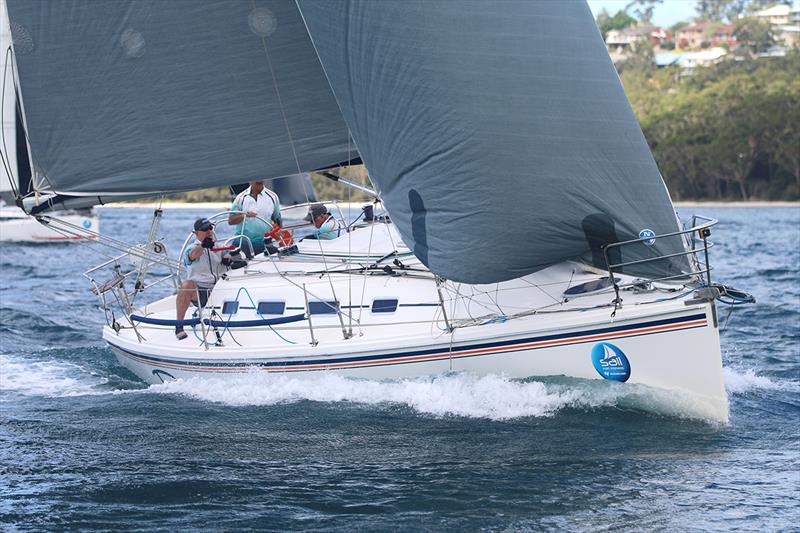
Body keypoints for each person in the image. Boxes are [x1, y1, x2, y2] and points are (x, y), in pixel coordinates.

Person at [175, 218, 231, 340]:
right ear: (196, 233)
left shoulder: (220, 246)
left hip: (222, 289)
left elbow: (229, 254)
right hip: (201, 292)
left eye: (210, 228)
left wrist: (228, 257)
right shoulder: (191, 248)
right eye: (205, 229)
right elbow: (192, 256)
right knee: (186, 285)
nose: (209, 231)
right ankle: (179, 326)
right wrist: (203, 246)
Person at [228, 180, 281, 256]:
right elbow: (231, 221)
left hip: (264, 244)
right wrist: (244, 215)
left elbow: (278, 220)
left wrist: (278, 230)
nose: (259, 180)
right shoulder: (241, 198)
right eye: (256, 178)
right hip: (242, 243)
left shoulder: (273, 197)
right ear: (250, 179)